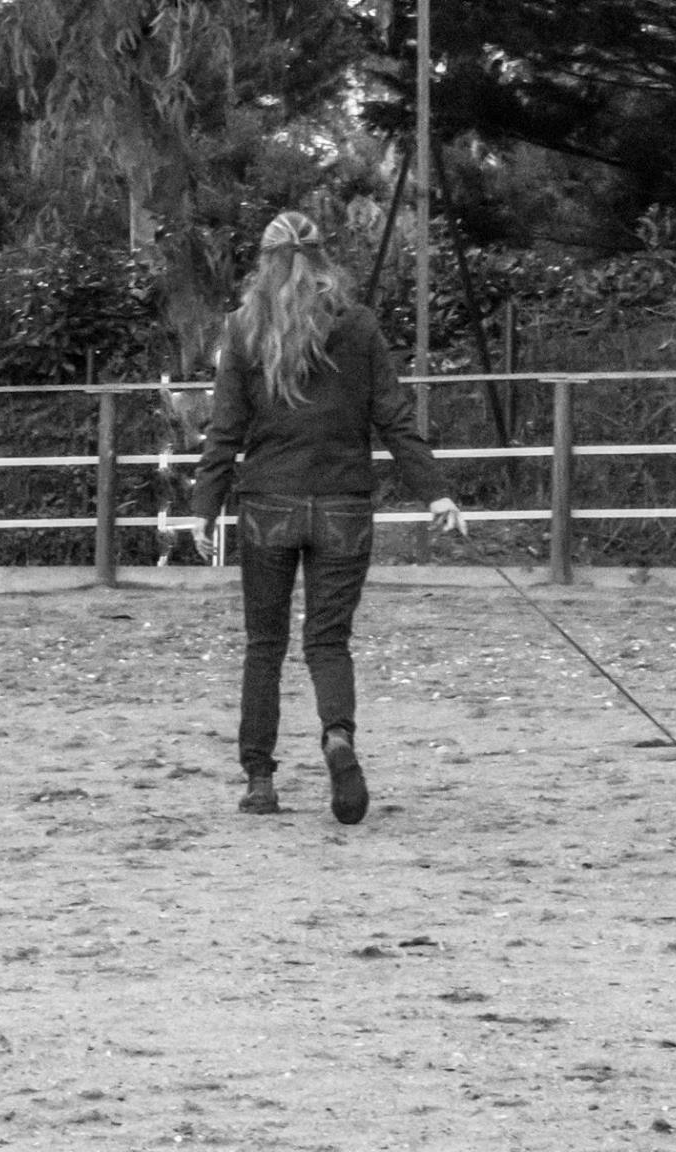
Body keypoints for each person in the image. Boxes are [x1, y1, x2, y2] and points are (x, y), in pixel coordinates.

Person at [183, 210, 466, 824]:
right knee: (328, 642)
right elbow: (394, 416)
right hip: (343, 502)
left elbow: (225, 431)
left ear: (263, 259)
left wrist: (204, 508)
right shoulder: (359, 326)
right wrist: (435, 493)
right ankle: (338, 739)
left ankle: (260, 781)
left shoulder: (241, 329)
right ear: (322, 257)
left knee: (265, 644)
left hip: (268, 505)